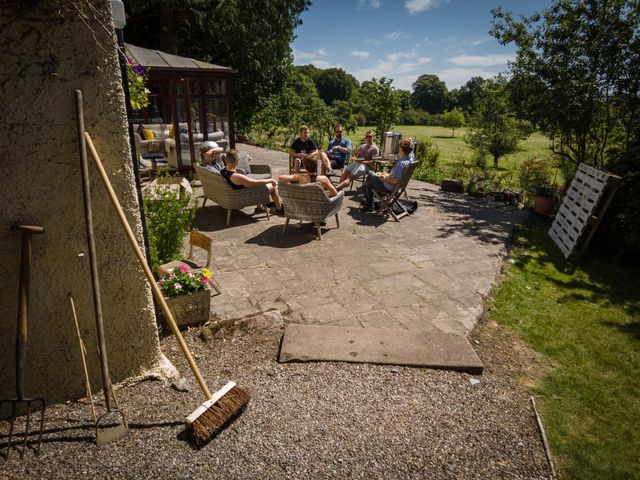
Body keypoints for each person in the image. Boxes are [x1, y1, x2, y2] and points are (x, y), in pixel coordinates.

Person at [220, 149, 284, 213]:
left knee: (261, 184)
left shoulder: (223, 170)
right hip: (244, 196)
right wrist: (270, 180)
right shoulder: (236, 176)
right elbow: (254, 183)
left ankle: (259, 207)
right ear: (237, 161)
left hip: (237, 193)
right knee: (273, 186)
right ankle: (279, 209)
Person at [361, 137, 413, 213]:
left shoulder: (401, 164)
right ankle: (368, 201)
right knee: (369, 183)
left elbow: (396, 180)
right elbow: (396, 177)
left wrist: (384, 179)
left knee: (370, 173)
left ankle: (367, 198)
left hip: (389, 187)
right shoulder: (409, 160)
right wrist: (384, 174)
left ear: (401, 149)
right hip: (396, 187)